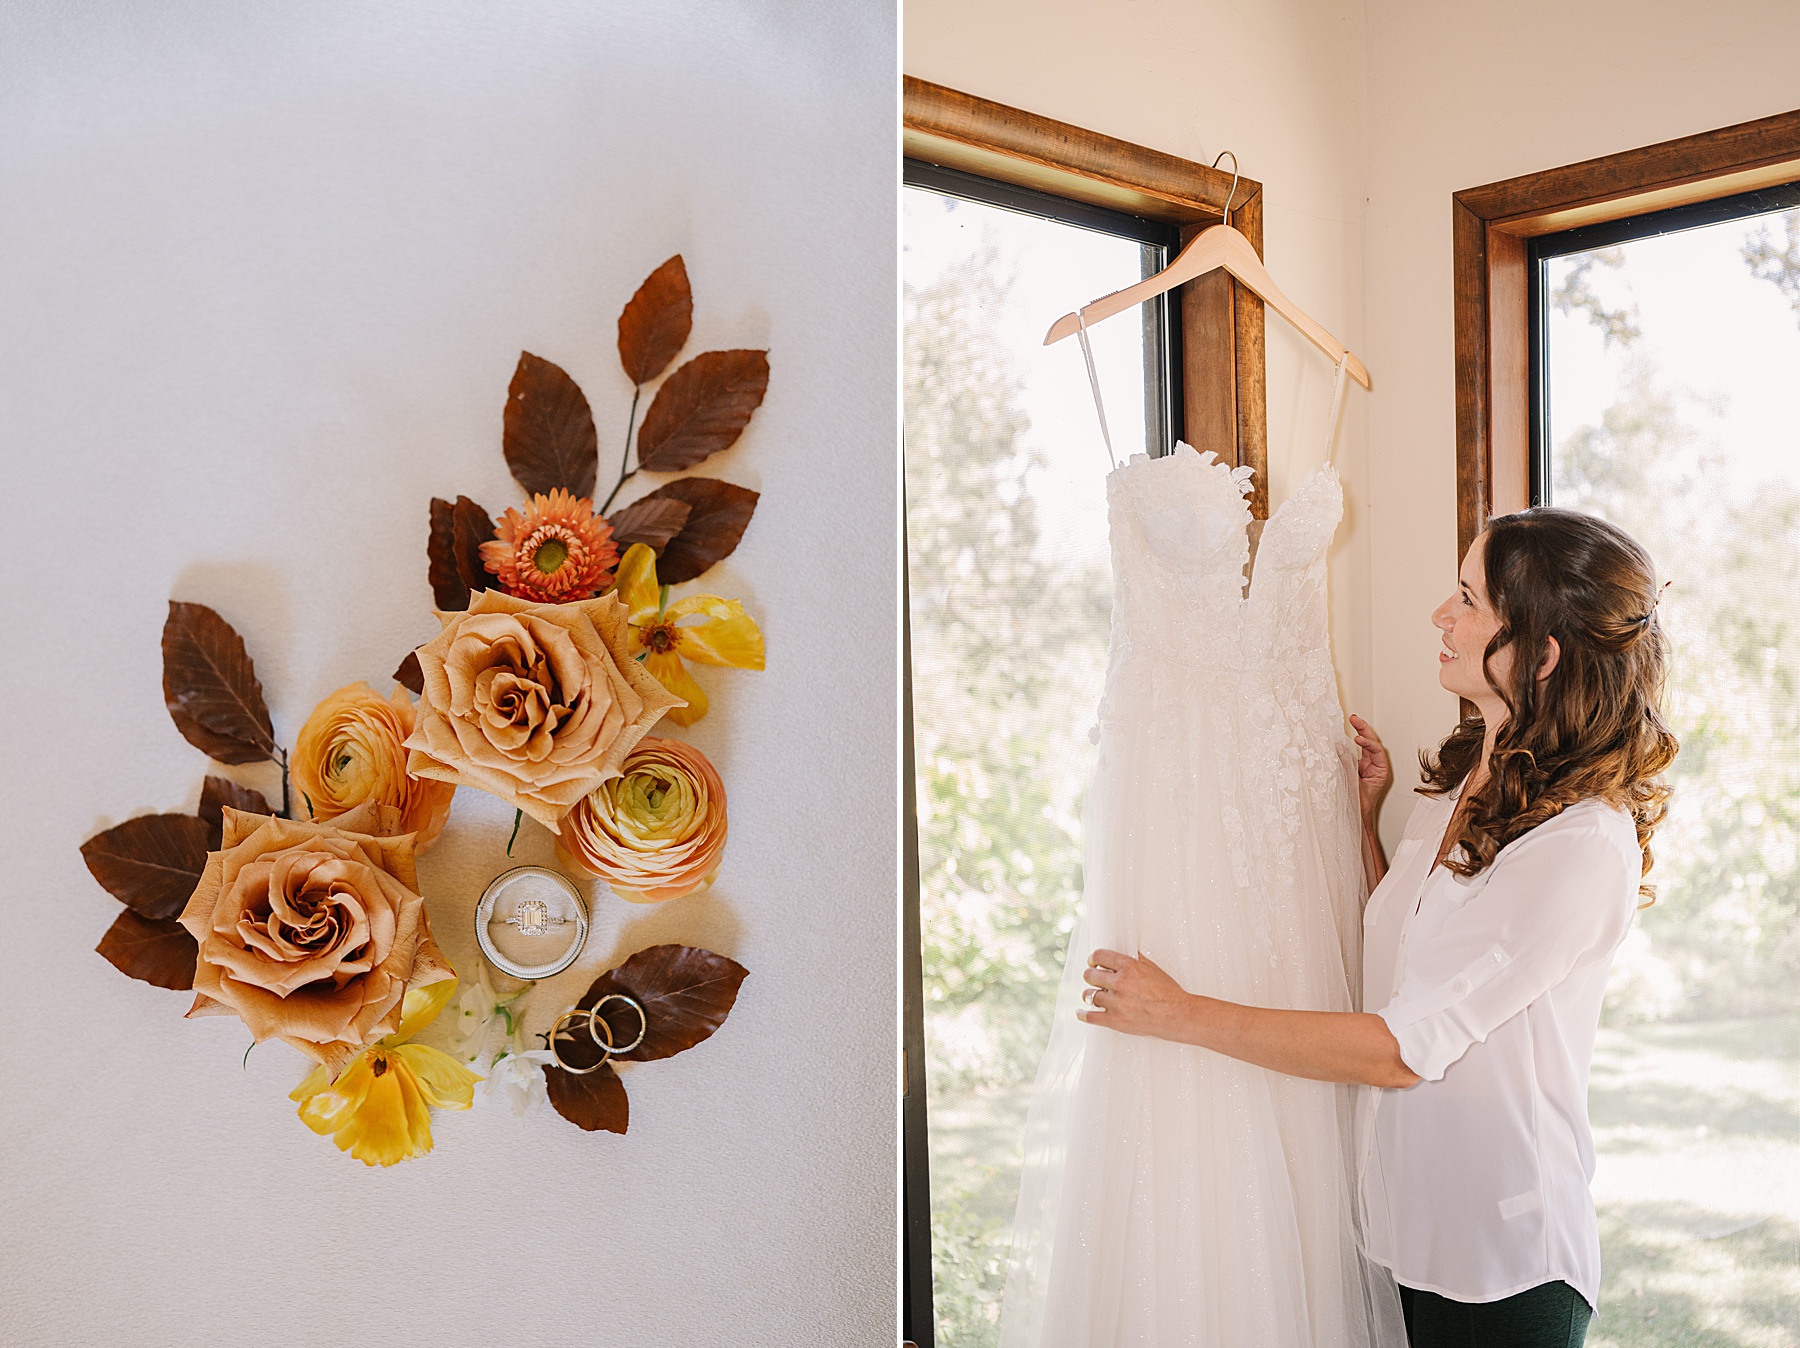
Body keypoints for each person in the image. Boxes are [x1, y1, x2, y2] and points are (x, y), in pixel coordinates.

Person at [1079, 507, 1677, 1348]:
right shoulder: (1465, 776)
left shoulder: (1582, 845)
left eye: (1469, 600)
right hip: (1396, 1236)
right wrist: (1367, 826)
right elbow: (1404, 958)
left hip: (1501, 1267)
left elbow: (1403, 1047)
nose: (1442, 614)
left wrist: (1180, 1015)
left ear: (1539, 653)